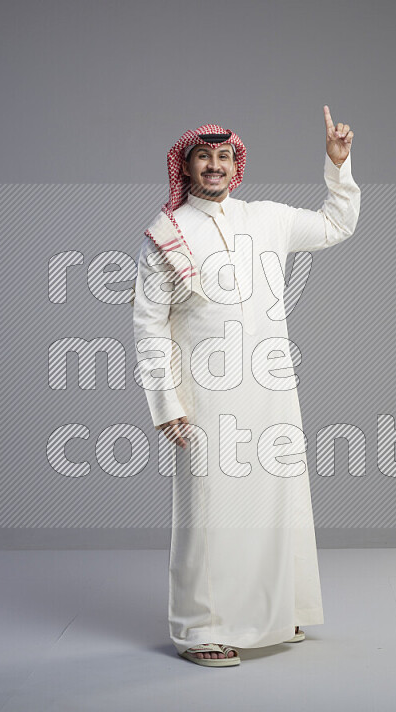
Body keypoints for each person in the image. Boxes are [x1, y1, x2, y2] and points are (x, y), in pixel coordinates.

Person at [132, 106, 360, 667]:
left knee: (277, 502)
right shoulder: (167, 234)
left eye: (224, 156)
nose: (214, 165)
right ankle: (200, 629)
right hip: (205, 391)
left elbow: (337, 225)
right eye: (203, 157)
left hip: (272, 384)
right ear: (185, 168)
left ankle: (277, 615)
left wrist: (338, 166)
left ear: (236, 165)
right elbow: (148, 323)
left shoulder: (268, 218)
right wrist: (165, 402)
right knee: (210, 509)